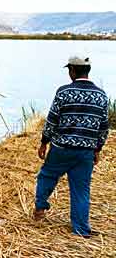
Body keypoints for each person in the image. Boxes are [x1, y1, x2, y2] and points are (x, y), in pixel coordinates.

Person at [34, 56, 109, 238]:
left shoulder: (63, 92)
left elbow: (52, 120)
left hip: (61, 149)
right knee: (81, 190)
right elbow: (104, 127)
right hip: (85, 152)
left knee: (47, 175)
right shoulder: (101, 95)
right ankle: (81, 230)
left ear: (72, 71)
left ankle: (40, 208)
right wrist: (97, 149)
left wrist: (44, 142)